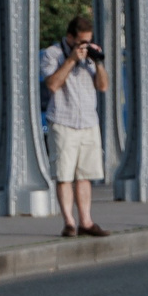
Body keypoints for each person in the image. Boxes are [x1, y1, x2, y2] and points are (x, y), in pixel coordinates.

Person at [39, 17, 110, 238]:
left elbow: (103, 86)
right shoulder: (52, 54)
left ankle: (86, 222)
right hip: (63, 120)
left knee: (85, 175)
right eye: (81, 41)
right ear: (70, 38)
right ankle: (69, 222)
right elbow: (52, 84)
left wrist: (97, 61)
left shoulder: (89, 56)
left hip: (88, 121)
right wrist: (70, 60)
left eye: (88, 41)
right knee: (64, 175)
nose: (84, 46)